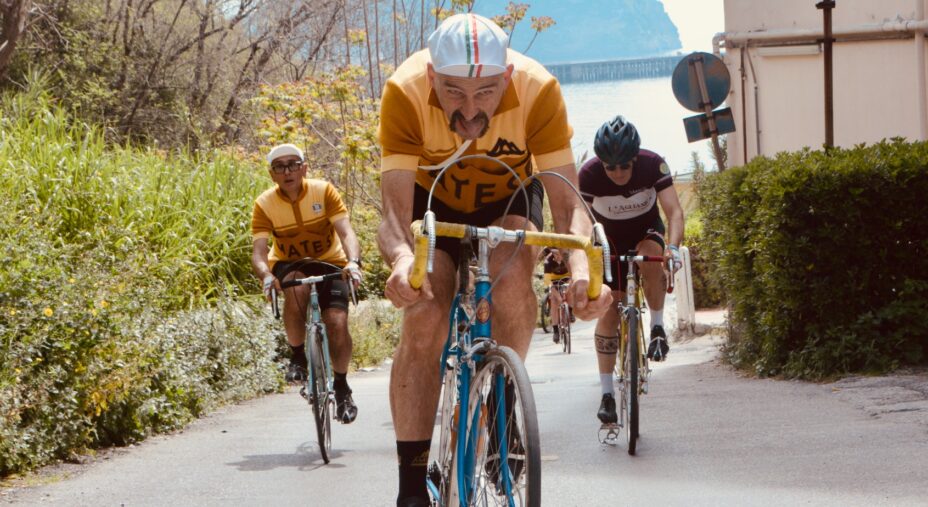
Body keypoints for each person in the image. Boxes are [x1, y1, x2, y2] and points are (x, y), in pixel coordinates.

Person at [376, 13, 612, 507]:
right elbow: (395, 216)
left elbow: (570, 207)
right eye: (453, 92)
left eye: (485, 92)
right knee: (424, 311)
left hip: (507, 198)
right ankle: (411, 485)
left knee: (510, 275)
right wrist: (401, 260)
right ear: (432, 78)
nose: (468, 110)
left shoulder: (536, 89)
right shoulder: (404, 91)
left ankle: (501, 399)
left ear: (506, 78)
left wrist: (584, 271)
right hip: (431, 204)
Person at [578, 116, 684, 425]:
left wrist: (673, 248)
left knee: (650, 254)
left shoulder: (653, 165)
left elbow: (674, 211)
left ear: (635, 158)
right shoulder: (589, 174)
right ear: (601, 163)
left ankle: (658, 328)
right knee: (609, 311)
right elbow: (581, 222)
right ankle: (607, 394)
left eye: (625, 165)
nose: (618, 173)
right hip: (608, 240)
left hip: (646, 231)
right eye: (611, 167)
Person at [251, 143, 363, 424]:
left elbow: (346, 232)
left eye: (293, 164)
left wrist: (353, 262)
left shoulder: (323, 191)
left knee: (337, 321)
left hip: (330, 261)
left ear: (304, 168)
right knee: (296, 285)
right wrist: (266, 275)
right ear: (272, 174)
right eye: (280, 166)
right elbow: (259, 252)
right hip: (290, 265)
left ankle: (341, 386)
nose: (287, 171)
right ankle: (298, 356)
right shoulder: (264, 204)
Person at [541, 247, 571, 344]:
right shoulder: (548, 262)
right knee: (554, 301)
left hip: (567, 278)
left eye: (560, 254)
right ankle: (556, 331)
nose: (558, 257)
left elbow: (574, 275)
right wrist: (557, 295)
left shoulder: (568, 258)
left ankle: (570, 310)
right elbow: (548, 282)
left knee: (570, 293)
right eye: (556, 255)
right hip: (554, 281)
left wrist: (567, 291)